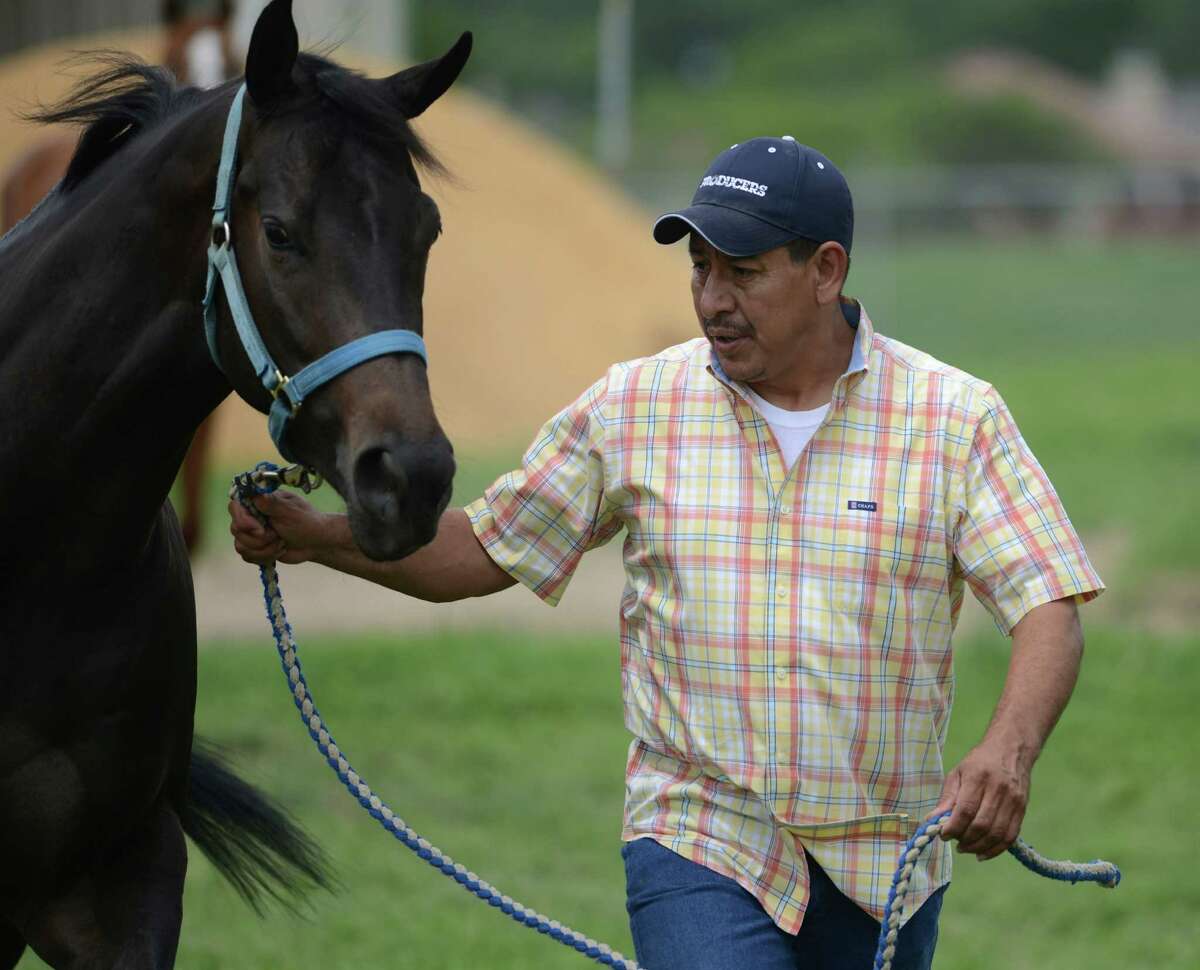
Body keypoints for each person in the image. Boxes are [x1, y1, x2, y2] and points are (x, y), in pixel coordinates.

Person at [229, 137, 1104, 969]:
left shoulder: (955, 419)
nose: (712, 298)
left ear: (826, 270)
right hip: (699, 845)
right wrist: (317, 537)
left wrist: (1008, 752)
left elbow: (1047, 604)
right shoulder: (633, 407)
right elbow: (484, 549)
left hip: (886, 865)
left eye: (743, 273)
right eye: (700, 267)